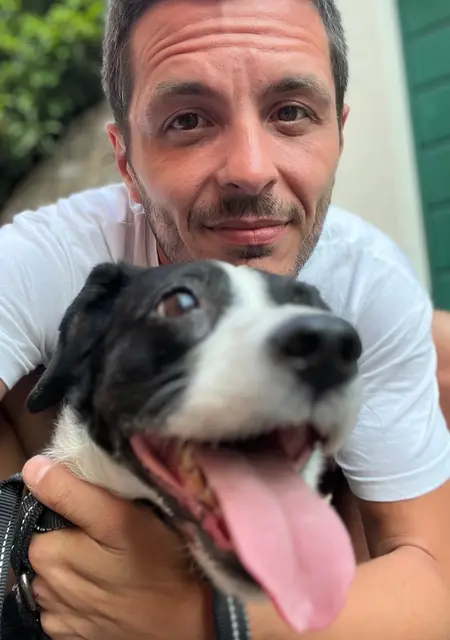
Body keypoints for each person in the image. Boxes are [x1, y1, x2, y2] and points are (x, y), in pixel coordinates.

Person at [1, 0, 450, 637]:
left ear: (339, 134)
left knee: (440, 349)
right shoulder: (42, 257)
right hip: (81, 482)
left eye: (291, 112)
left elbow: (435, 583)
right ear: (126, 159)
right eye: (187, 120)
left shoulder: (366, 276)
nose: (251, 171)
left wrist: (190, 618)